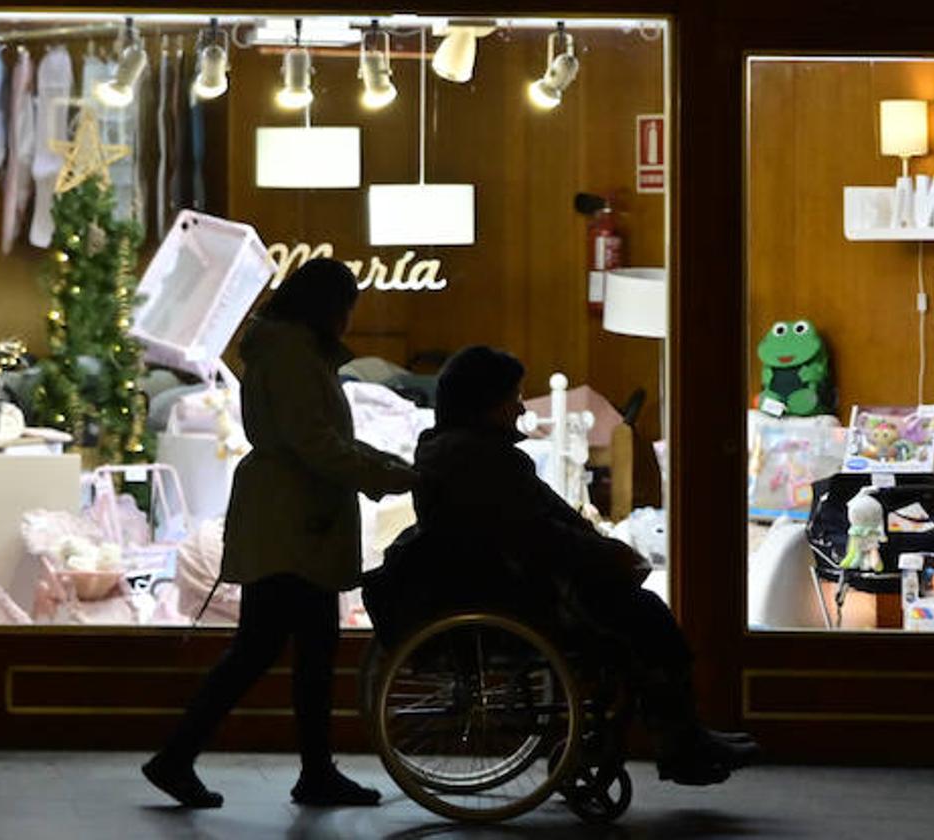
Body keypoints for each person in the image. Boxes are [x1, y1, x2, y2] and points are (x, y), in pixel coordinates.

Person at [407, 345, 760, 785]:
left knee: (639, 613)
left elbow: (545, 517)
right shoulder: (478, 459)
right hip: (518, 588)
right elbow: (533, 532)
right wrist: (606, 554)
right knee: (645, 618)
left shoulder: (469, 452)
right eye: (513, 397)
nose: (520, 406)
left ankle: (680, 735)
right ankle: (679, 741)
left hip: (515, 576)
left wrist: (600, 547)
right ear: (489, 403)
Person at [143, 259, 418, 808]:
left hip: (292, 519)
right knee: (280, 648)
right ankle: (190, 758)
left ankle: (277, 766)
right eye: (345, 308)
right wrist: (388, 473)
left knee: (288, 647)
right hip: (296, 523)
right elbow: (314, 442)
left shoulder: (283, 348)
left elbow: (312, 439)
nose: (347, 321)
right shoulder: (294, 354)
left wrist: (382, 468)